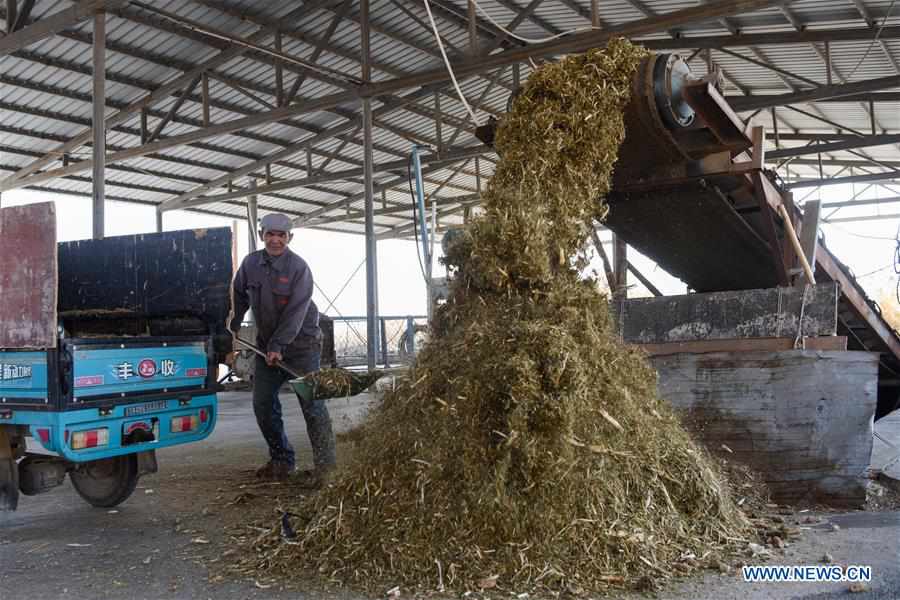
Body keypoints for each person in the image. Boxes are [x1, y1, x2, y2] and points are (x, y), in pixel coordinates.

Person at [229, 213, 336, 483]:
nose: (275, 239)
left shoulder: (299, 268)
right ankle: (281, 460)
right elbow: (239, 292)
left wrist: (279, 344)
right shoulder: (250, 263)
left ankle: (327, 469)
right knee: (262, 404)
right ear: (262, 234)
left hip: (302, 347)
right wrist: (234, 318)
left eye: (281, 235)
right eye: (270, 234)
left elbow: (296, 312)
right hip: (267, 347)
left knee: (312, 405)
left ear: (290, 238)